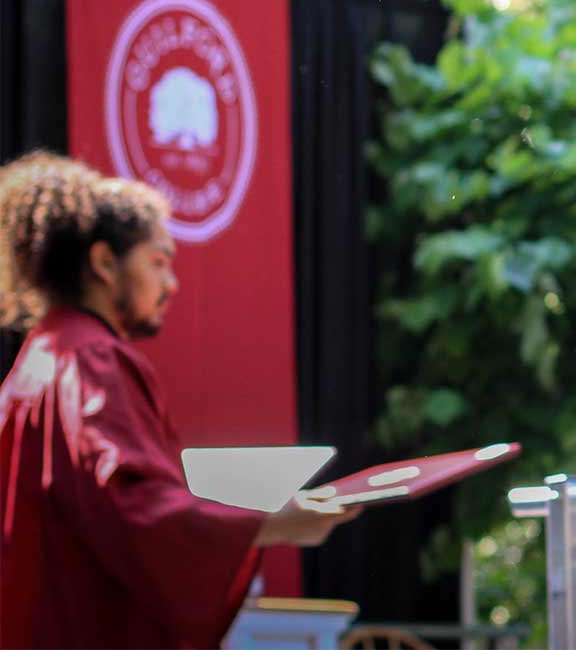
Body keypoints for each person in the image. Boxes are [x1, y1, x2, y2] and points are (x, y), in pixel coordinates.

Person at [0, 153, 357, 649]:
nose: (171, 285)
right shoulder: (93, 360)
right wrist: (277, 521)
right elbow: (136, 508)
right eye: (158, 261)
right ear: (104, 263)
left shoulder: (35, 363)